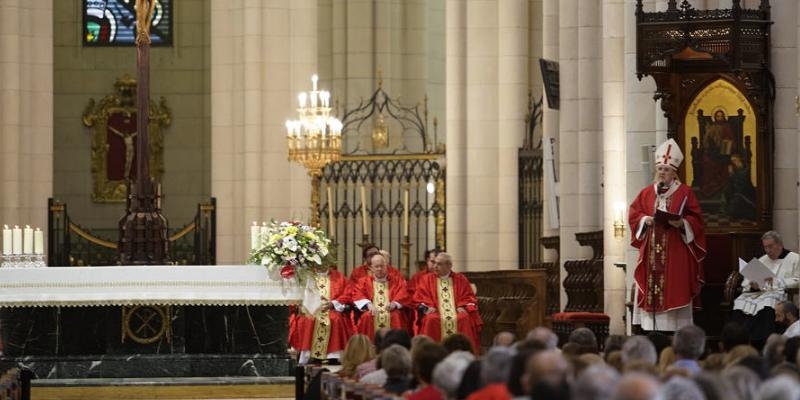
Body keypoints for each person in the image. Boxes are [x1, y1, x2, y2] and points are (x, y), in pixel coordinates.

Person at [629, 138, 706, 332]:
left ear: (674, 172)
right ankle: (651, 330)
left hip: (675, 250)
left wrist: (682, 223)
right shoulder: (647, 193)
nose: (662, 172)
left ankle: (674, 330)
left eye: (666, 169)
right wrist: (644, 220)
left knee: (675, 287)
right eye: (660, 169)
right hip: (651, 251)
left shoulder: (685, 192)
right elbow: (634, 214)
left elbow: (697, 219)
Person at [731, 231, 800, 346]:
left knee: (768, 302)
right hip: (760, 293)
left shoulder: (795, 259)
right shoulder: (763, 259)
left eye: (770, 246)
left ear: (780, 245)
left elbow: (798, 280)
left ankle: (761, 341)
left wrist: (776, 281)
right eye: (765, 247)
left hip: (781, 294)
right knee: (740, 301)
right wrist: (753, 285)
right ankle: (738, 340)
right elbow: (748, 282)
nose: (767, 250)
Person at [413, 252, 482, 353]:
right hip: (435, 311)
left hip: (456, 311)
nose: (435, 266)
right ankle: (430, 352)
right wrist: (428, 307)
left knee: (464, 318)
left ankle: (464, 352)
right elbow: (420, 296)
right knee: (431, 319)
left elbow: (469, 296)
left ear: (449, 265)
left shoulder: (460, 279)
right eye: (435, 263)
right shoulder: (427, 279)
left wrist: (462, 306)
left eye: (439, 264)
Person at [288, 264, 353, 365]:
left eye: (324, 262)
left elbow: (347, 293)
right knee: (309, 320)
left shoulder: (339, 277)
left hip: (332, 309)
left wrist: (333, 303)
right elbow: (298, 294)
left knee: (335, 319)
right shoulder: (306, 276)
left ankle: (333, 356)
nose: (321, 265)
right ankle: (310, 355)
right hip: (310, 309)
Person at [352, 253, 412, 340]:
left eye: (382, 266)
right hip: (372, 311)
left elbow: (404, 293)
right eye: (376, 266)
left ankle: (395, 344)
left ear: (386, 266)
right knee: (367, 317)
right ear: (371, 268)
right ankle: (369, 345)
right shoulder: (364, 281)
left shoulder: (397, 281)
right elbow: (358, 294)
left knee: (396, 316)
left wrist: (394, 304)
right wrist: (369, 305)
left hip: (392, 310)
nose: (379, 269)